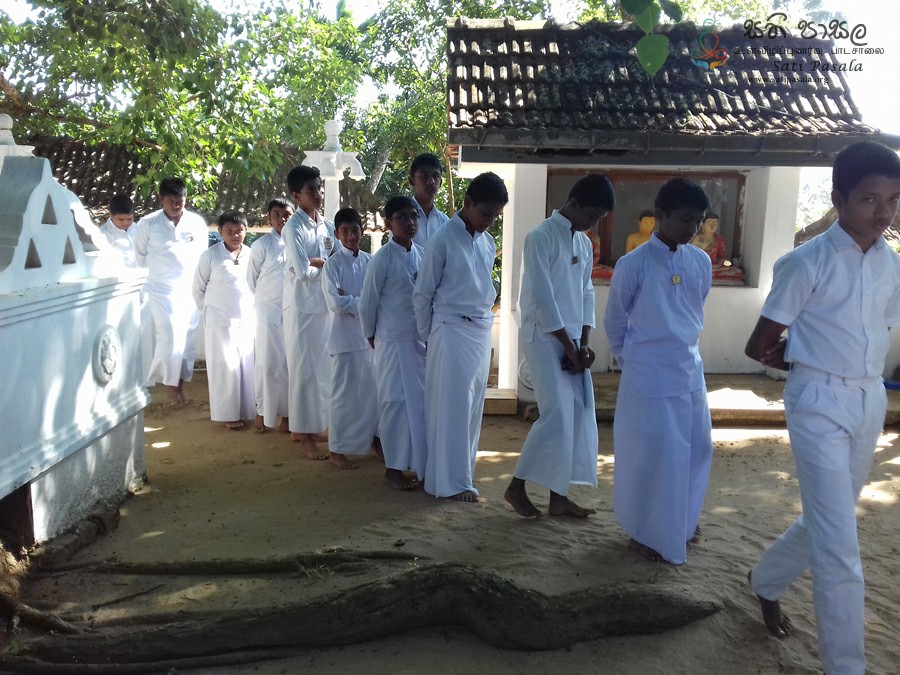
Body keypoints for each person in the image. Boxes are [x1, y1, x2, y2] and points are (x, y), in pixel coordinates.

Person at [744, 140, 900, 675]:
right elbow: (758, 345)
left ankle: (765, 581)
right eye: (869, 199)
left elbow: (876, 327)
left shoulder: (890, 264)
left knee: (828, 520)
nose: (883, 213)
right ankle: (846, 666)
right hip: (818, 404)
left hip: (869, 400)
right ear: (839, 199)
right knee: (840, 546)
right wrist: (804, 358)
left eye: (893, 200)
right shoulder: (805, 261)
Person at [603, 178, 712, 565]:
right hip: (648, 375)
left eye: (698, 221)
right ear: (660, 215)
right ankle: (645, 532)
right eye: (684, 220)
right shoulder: (633, 264)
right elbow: (615, 323)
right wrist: (636, 363)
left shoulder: (700, 262)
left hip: (690, 371)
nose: (692, 229)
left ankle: (682, 523)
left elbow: (695, 310)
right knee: (652, 456)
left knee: (696, 451)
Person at [505, 174, 614, 518]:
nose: (593, 224)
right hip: (543, 336)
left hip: (572, 341)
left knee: (575, 413)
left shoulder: (583, 243)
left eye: (599, 219)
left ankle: (558, 497)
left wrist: (584, 345)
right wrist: (568, 345)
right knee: (556, 415)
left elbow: (586, 293)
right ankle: (516, 486)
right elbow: (542, 298)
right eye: (592, 216)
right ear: (574, 203)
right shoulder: (540, 237)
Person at [413, 172, 508, 502]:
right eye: (486, 213)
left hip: (480, 331)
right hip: (450, 329)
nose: (489, 222)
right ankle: (446, 483)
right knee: (451, 408)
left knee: (471, 410)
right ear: (467, 203)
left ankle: (461, 476)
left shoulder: (487, 242)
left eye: (495, 216)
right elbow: (422, 295)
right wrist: (429, 337)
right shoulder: (442, 240)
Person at [360, 196, 428, 490]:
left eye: (414, 217)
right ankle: (393, 469)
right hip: (390, 341)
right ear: (388, 223)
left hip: (417, 342)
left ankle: (416, 463)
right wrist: (371, 335)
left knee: (418, 405)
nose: (410, 222)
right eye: (402, 217)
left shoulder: (422, 255)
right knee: (394, 404)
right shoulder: (382, 259)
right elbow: (367, 303)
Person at [134, 177, 208, 405]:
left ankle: (180, 390)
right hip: (160, 290)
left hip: (189, 289)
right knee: (170, 337)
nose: (176, 205)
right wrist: (159, 275)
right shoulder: (147, 223)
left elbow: (203, 256)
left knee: (187, 341)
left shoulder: (196, 223)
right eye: (171, 201)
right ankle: (169, 392)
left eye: (180, 200)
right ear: (161, 199)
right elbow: (140, 256)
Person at [282, 165, 337, 459]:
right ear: (296, 196)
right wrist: (322, 265)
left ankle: (313, 425)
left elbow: (334, 257)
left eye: (319, 188)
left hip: (324, 306)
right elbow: (303, 273)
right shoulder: (294, 228)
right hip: (302, 309)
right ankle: (302, 435)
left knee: (321, 370)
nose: (318, 194)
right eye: (311, 190)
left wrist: (320, 263)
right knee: (304, 371)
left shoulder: (326, 224)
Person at [322, 207, 378, 470]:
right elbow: (335, 303)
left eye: (355, 230)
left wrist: (353, 302)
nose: (351, 236)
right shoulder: (332, 265)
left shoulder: (371, 262)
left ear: (362, 231)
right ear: (336, 234)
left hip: (368, 339)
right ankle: (337, 449)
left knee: (369, 395)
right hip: (343, 340)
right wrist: (364, 303)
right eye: (344, 231)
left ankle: (372, 441)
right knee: (343, 397)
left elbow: (379, 297)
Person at [192, 211, 256, 429]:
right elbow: (198, 289)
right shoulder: (210, 256)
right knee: (224, 366)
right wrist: (209, 312)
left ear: (246, 231)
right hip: (218, 320)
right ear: (220, 232)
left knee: (246, 366)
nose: (235, 235)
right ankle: (226, 414)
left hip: (246, 319)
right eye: (229, 231)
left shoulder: (252, 255)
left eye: (239, 231)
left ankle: (247, 411)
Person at [247, 198, 293, 433]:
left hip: (292, 310)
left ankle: (288, 416)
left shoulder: (298, 242)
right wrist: (268, 301)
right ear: (269, 218)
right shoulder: (261, 245)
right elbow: (251, 280)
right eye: (277, 215)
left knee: (289, 363)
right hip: (267, 310)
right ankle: (262, 411)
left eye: (286, 215)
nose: (282, 219)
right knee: (266, 363)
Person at [408, 153, 448, 247]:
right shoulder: (402, 219)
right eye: (424, 176)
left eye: (435, 176)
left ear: (440, 182)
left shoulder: (444, 222)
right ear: (412, 181)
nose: (431, 181)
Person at [95, 194, 138, 268]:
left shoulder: (138, 228)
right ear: (111, 214)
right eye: (120, 220)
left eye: (129, 219)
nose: (125, 223)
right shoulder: (102, 234)